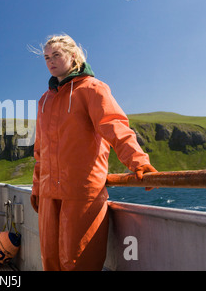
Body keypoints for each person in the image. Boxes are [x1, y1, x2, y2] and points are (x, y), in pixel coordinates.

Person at [30, 34, 157, 271]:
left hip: (82, 191)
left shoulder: (93, 89)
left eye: (56, 55)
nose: (50, 61)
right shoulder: (44, 101)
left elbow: (115, 127)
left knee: (78, 263)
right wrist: (37, 188)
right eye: (47, 57)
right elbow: (40, 150)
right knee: (50, 261)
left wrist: (139, 162)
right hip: (48, 195)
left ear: (73, 55)